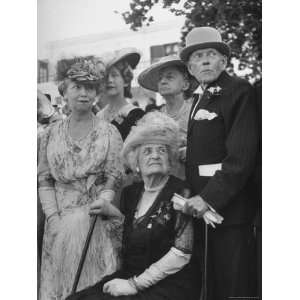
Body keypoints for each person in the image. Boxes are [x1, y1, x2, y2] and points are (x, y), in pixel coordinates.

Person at [66, 111, 199, 300]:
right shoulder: (131, 193)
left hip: (170, 283)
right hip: (130, 273)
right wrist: (114, 215)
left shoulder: (181, 191)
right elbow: (131, 239)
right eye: (147, 151)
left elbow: (182, 252)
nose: (155, 155)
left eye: (162, 150)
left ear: (170, 159)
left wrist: (134, 284)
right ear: (136, 162)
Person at [180, 27, 259, 300]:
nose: (204, 61)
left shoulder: (238, 91)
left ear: (223, 61)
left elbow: (242, 157)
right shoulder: (199, 98)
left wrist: (210, 198)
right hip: (202, 211)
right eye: (197, 57)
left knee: (235, 287)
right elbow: (212, 147)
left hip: (230, 210)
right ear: (190, 68)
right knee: (212, 286)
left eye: (210, 54)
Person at [38, 58, 125, 300]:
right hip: (58, 219)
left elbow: (114, 175)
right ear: (64, 91)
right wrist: (53, 217)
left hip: (94, 219)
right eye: (77, 87)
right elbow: (44, 178)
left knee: (92, 285)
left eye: (90, 88)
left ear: (97, 93)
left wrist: (104, 201)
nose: (84, 93)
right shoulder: (49, 134)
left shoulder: (109, 132)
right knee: (60, 284)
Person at [138, 55, 195, 180]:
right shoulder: (152, 119)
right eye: (160, 78)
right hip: (161, 183)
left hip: (191, 182)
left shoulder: (196, 113)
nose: (163, 81)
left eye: (169, 77)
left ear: (185, 85)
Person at [97, 48, 145, 140]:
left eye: (114, 75)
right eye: (106, 76)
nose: (110, 80)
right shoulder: (99, 116)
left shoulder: (137, 115)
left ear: (126, 80)